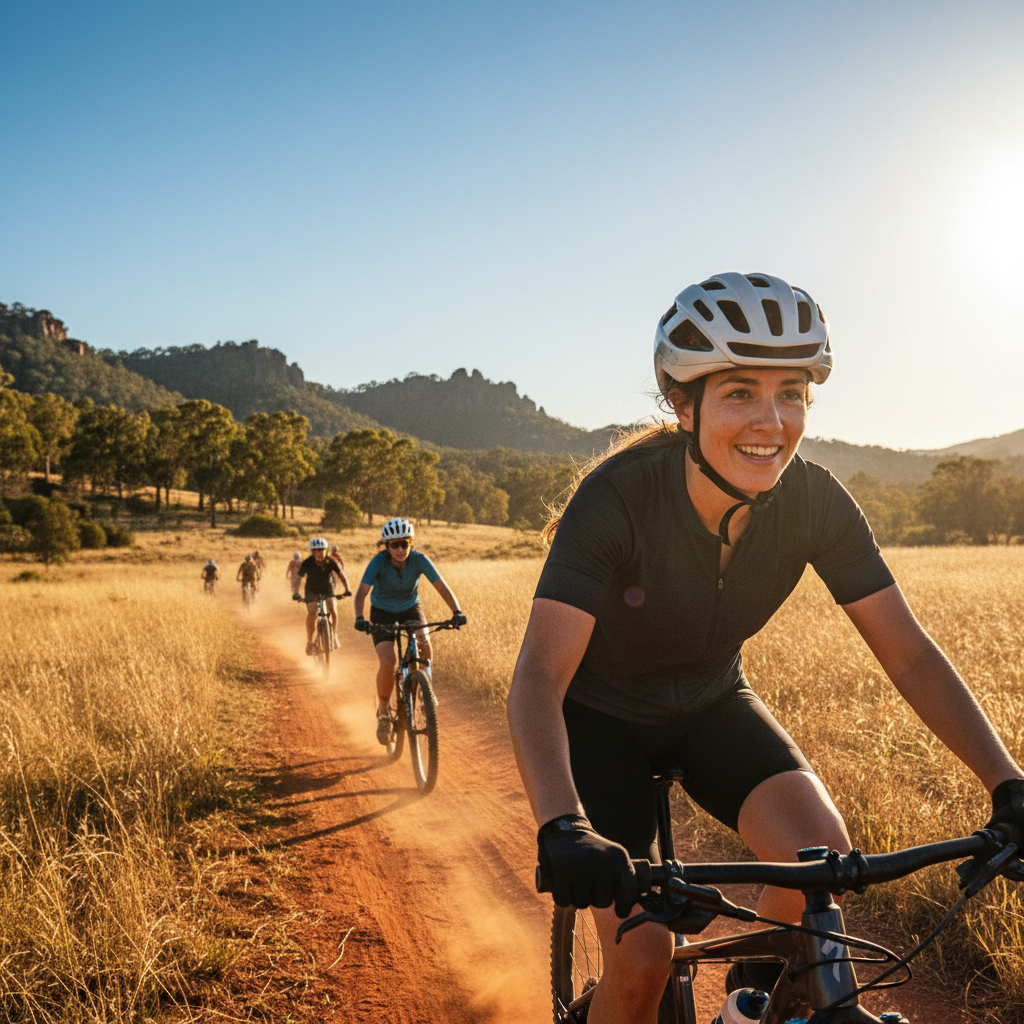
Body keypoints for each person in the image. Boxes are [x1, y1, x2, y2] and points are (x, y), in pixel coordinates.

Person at [505, 272, 1024, 1024]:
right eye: (741, 392)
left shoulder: (814, 502)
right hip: (599, 723)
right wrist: (563, 825)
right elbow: (539, 677)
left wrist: (1006, 782)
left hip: (712, 703)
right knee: (643, 961)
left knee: (819, 861)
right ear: (684, 405)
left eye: (792, 393)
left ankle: (750, 1003)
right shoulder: (617, 500)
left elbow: (907, 653)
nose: (771, 420)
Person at [354, 517, 467, 744]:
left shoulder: (419, 560)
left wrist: (457, 611)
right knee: (388, 661)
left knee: (424, 642)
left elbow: (442, 587)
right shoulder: (378, 562)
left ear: (410, 543)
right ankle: (384, 713)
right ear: (386, 546)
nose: (399, 549)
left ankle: (427, 693)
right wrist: (360, 617)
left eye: (404, 544)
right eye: (394, 545)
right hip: (381, 612)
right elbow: (361, 593)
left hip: (410, 609)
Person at [294, 537, 351, 655]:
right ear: (312, 552)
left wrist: (347, 589)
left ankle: (333, 636)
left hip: (327, 588)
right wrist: (296, 592)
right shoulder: (307, 562)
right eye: (316, 550)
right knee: (312, 612)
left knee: (333, 610)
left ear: (326, 550)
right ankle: (310, 641)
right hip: (311, 589)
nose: (319, 553)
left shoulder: (331, 561)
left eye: (322, 550)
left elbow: (342, 575)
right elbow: (298, 578)